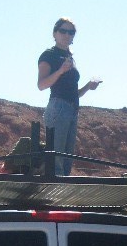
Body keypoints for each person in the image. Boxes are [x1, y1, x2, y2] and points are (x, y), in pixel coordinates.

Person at [37, 17, 101, 175]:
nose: (67, 35)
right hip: (58, 107)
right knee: (57, 157)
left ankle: (60, 193)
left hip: (72, 109)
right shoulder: (49, 54)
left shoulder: (70, 58)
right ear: (54, 33)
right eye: (63, 31)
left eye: (71, 32)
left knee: (66, 159)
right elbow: (41, 85)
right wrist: (60, 71)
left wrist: (88, 86)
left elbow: (72, 93)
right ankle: (53, 193)